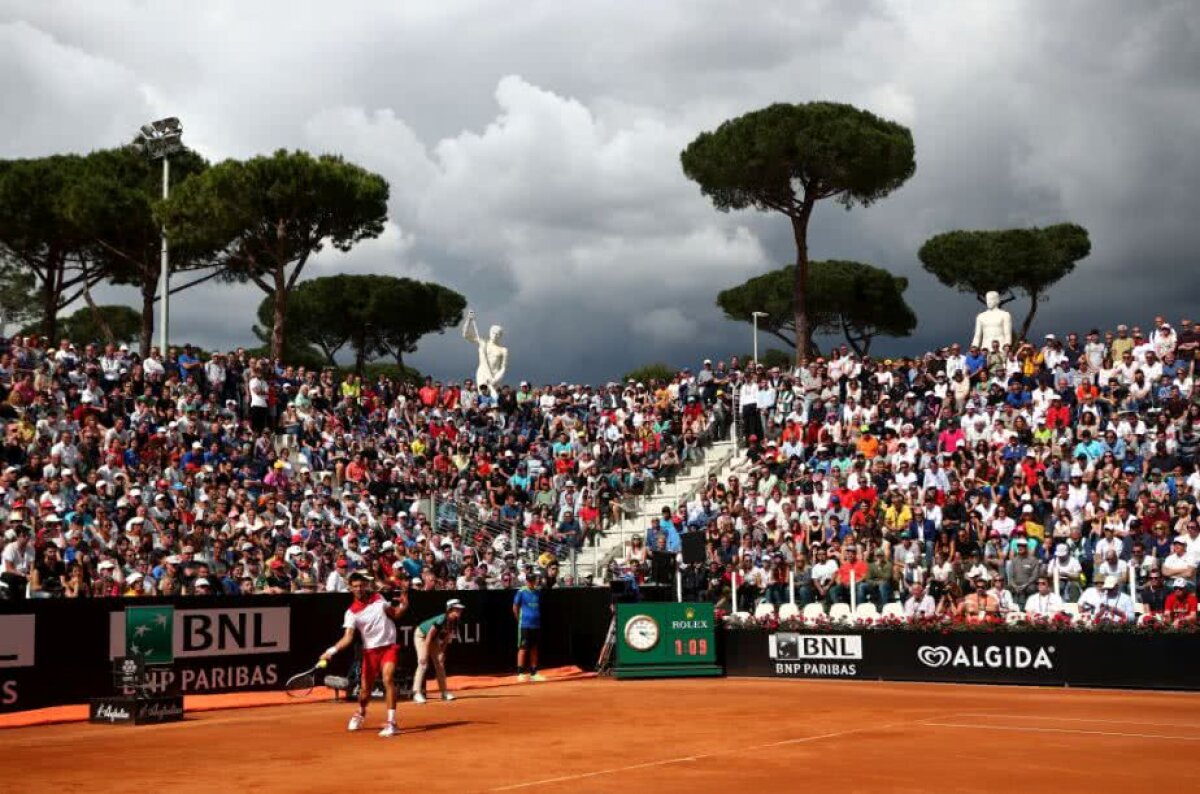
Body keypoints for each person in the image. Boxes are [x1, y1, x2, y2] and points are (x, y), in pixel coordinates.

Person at [319, 571, 408, 737]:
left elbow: (394, 614)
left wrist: (403, 606)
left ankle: (391, 722)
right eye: (355, 587)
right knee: (364, 692)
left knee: (388, 678)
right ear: (350, 589)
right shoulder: (351, 613)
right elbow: (348, 638)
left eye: (361, 585)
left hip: (389, 646)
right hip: (370, 651)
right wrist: (331, 650)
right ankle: (360, 712)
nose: (359, 589)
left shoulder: (378, 598)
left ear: (365, 585)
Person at [412, 599, 465, 703]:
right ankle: (417, 693)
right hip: (422, 636)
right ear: (449, 610)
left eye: (460, 610)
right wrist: (424, 655)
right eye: (457, 609)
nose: (459, 611)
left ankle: (444, 693)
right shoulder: (441, 619)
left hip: (433, 639)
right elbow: (429, 636)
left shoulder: (455, 621)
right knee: (423, 663)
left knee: (440, 664)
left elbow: (446, 638)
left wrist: (442, 653)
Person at [513, 570, 545, 682]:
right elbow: (515, 607)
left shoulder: (538, 592)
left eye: (533, 580)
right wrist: (520, 620)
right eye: (530, 580)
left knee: (534, 648)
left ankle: (534, 673)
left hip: (536, 625)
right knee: (523, 648)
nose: (532, 582)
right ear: (527, 581)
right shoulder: (521, 592)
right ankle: (520, 673)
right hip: (525, 625)